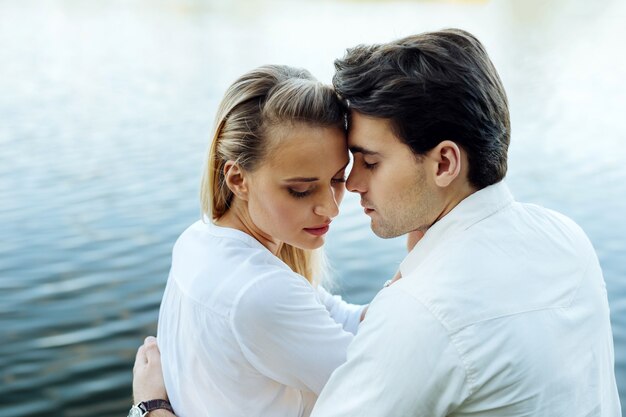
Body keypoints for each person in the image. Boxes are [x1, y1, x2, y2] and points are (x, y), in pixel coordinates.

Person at [132, 29, 621, 416]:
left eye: (368, 162)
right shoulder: (565, 235)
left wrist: (151, 409)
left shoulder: (420, 320)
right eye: (305, 188)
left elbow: (405, 336)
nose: (350, 192)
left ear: (444, 163)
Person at [133, 64, 383, 417]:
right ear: (238, 178)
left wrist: (148, 408)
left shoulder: (197, 240)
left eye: (337, 179)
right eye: (300, 190)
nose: (331, 208)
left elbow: (338, 318)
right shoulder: (259, 291)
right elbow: (387, 389)